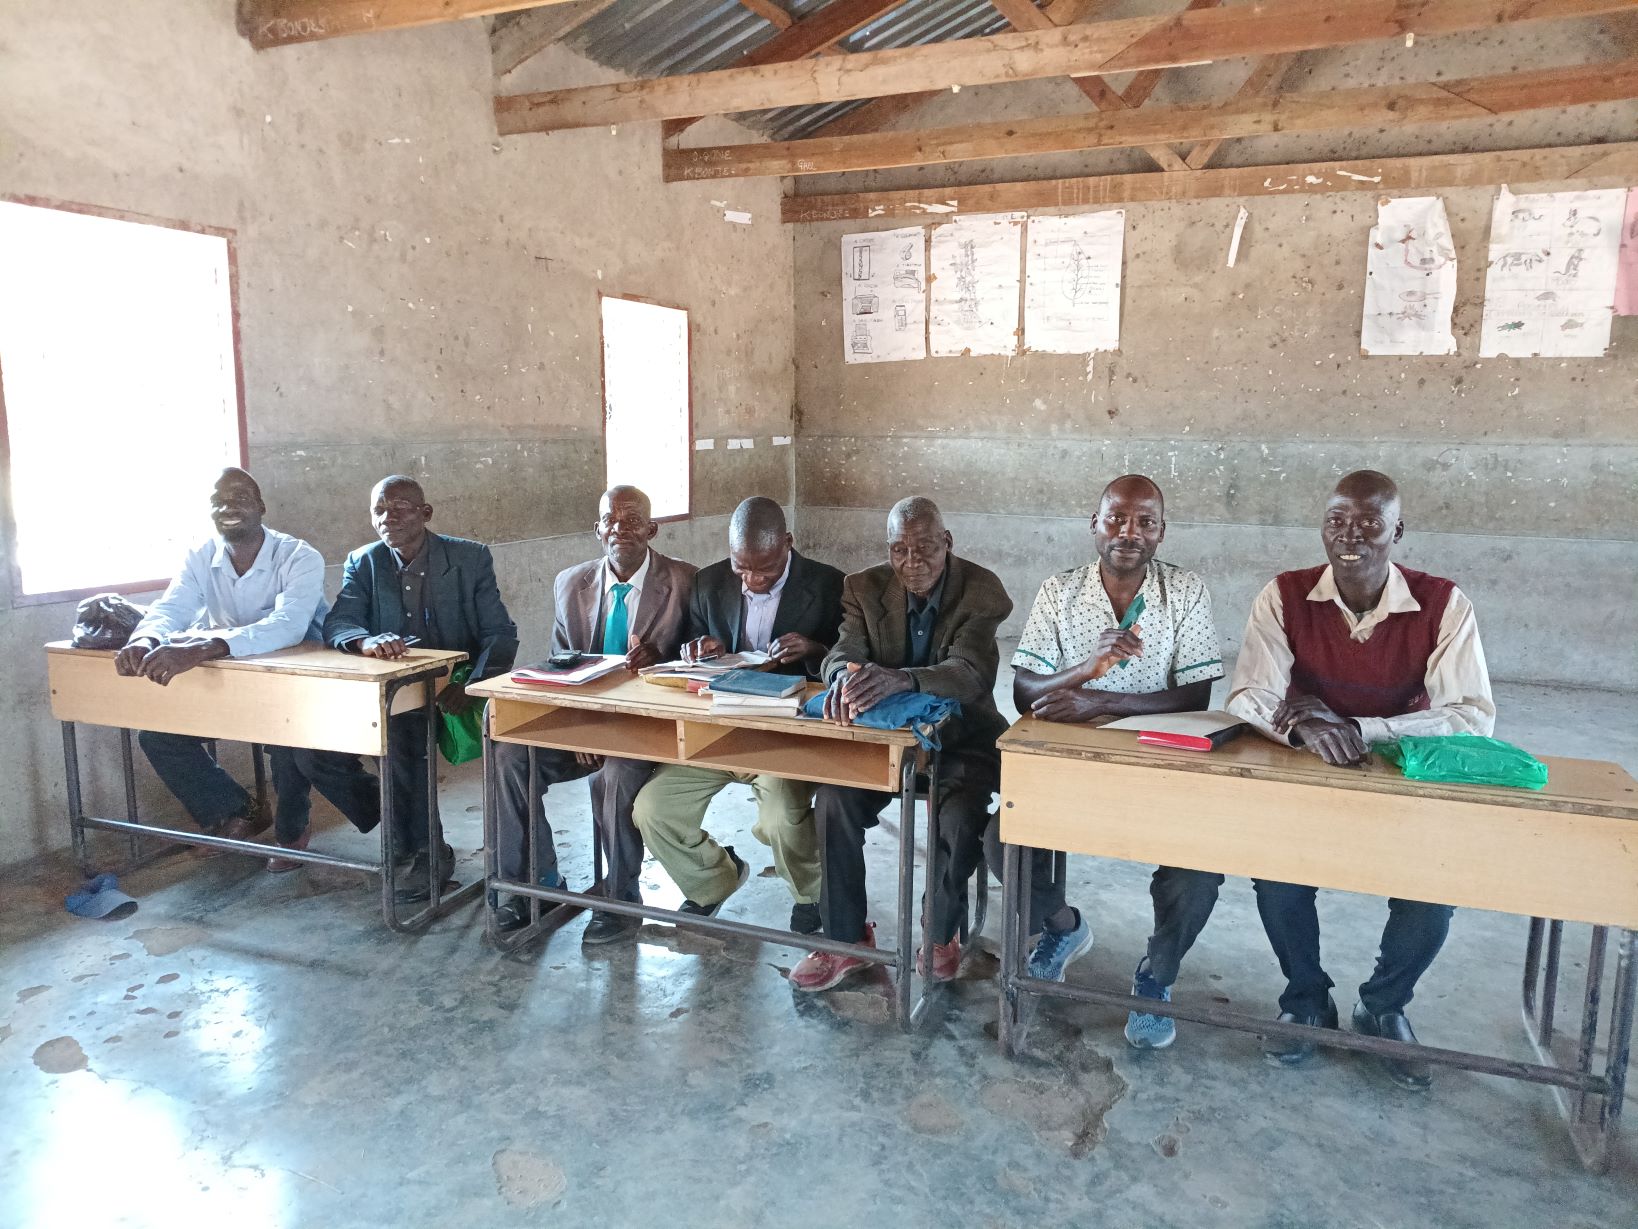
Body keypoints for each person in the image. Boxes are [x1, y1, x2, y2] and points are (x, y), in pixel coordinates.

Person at [1226, 469, 1495, 1090]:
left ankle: (1382, 1006)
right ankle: (1305, 998)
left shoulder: (1443, 603)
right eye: (1337, 521)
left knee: (1431, 891)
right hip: (1309, 767)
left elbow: (1471, 716)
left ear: (1397, 531)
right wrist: (1302, 728)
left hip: (1403, 769)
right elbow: (1248, 695)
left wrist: (1357, 727)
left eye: (1370, 523)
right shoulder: (1285, 595)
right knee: (1278, 876)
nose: (1351, 536)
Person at [1010, 475, 1226, 1049]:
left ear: (1161, 532)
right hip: (1073, 764)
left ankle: (1156, 975)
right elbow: (1024, 692)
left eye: (1145, 522)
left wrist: (1098, 701)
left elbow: (1197, 695)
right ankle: (1063, 927)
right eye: (1116, 519)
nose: (1129, 532)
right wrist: (1085, 670)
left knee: (1198, 871)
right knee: (1003, 838)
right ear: (1095, 524)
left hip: (1160, 764)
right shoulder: (1059, 591)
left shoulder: (1186, 591)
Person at [790, 497, 1012, 992]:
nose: (912, 562)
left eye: (925, 548)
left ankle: (941, 932)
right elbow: (843, 651)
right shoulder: (863, 588)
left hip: (961, 739)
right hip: (885, 744)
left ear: (947, 542)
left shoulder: (981, 590)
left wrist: (904, 679)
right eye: (899, 550)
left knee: (957, 817)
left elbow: (970, 673)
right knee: (833, 801)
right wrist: (843, 679)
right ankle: (847, 939)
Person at [490, 485, 696, 944]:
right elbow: (560, 669)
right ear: (597, 529)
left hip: (646, 727)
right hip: (584, 723)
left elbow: (698, 664)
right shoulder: (571, 583)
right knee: (509, 756)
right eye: (610, 520)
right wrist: (580, 730)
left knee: (615, 776)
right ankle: (533, 886)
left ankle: (621, 901)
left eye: (632, 520)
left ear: (652, 529)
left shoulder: (685, 581)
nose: (620, 529)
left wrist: (663, 659)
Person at [632, 497, 844, 933]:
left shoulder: (829, 584)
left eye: (765, 569)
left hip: (784, 736)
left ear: (787, 543)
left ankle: (811, 894)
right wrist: (701, 650)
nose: (753, 579)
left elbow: (850, 659)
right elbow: (689, 650)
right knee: (652, 808)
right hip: (719, 731)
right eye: (741, 567)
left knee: (781, 818)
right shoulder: (709, 582)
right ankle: (713, 880)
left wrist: (815, 651)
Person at [314, 475, 518, 900]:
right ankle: (405, 831)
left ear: (426, 513)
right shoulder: (365, 562)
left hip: (454, 685)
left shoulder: (468, 558)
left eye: (400, 507)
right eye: (379, 509)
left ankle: (423, 852)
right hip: (393, 690)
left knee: (405, 743)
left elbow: (499, 632)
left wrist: (474, 684)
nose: (388, 517)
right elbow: (340, 621)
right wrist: (365, 640)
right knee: (314, 748)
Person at [116, 467, 326, 856]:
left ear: (261, 507)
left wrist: (204, 647)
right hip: (234, 680)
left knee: (286, 746)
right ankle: (236, 810)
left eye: (240, 499)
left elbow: (289, 626)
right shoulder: (201, 556)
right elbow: (173, 606)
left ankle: (292, 830)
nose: (228, 507)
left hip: (293, 684)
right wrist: (145, 638)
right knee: (159, 736)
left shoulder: (298, 556)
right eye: (219, 501)